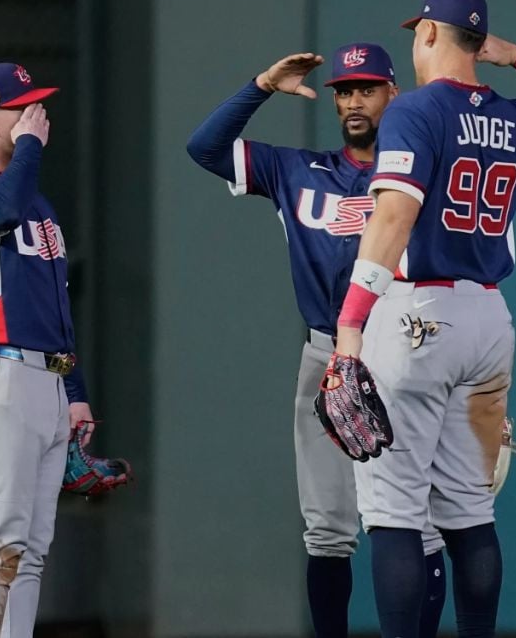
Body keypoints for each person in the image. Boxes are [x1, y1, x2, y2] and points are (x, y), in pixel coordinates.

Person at [328, 0, 516, 638]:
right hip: (487, 321)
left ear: (428, 33)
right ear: (481, 43)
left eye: (417, 31)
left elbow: (393, 217)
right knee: (469, 513)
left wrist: (350, 324)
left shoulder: (415, 109)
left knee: (395, 512)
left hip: (416, 313)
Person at [186, 44, 448, 638]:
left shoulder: (420, 171)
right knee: (328, 529)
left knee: (421, 523)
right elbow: (204, 148)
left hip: (406, 349)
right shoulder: (297, 170)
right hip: (327, 353)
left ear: (393, 94)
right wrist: (261, 84)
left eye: (367, 89)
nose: (353, 101)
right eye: (344, 91)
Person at [0, 62, 95, 637]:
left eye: (37, 103)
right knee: (0, 538)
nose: (37, 113)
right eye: (22, 107)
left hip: (45, 381)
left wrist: (73, 390)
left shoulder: (38, 201)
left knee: (31, 548)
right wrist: (28, 146)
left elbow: (54, 304)